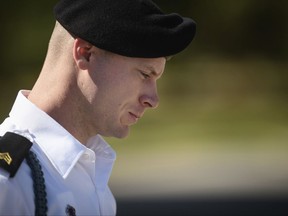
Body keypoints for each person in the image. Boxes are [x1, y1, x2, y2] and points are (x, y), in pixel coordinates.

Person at [0, 0, 196, 215]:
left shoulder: (89, 171)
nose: (153, 99)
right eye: (145, 74)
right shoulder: (8, 183)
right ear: (85, 53)